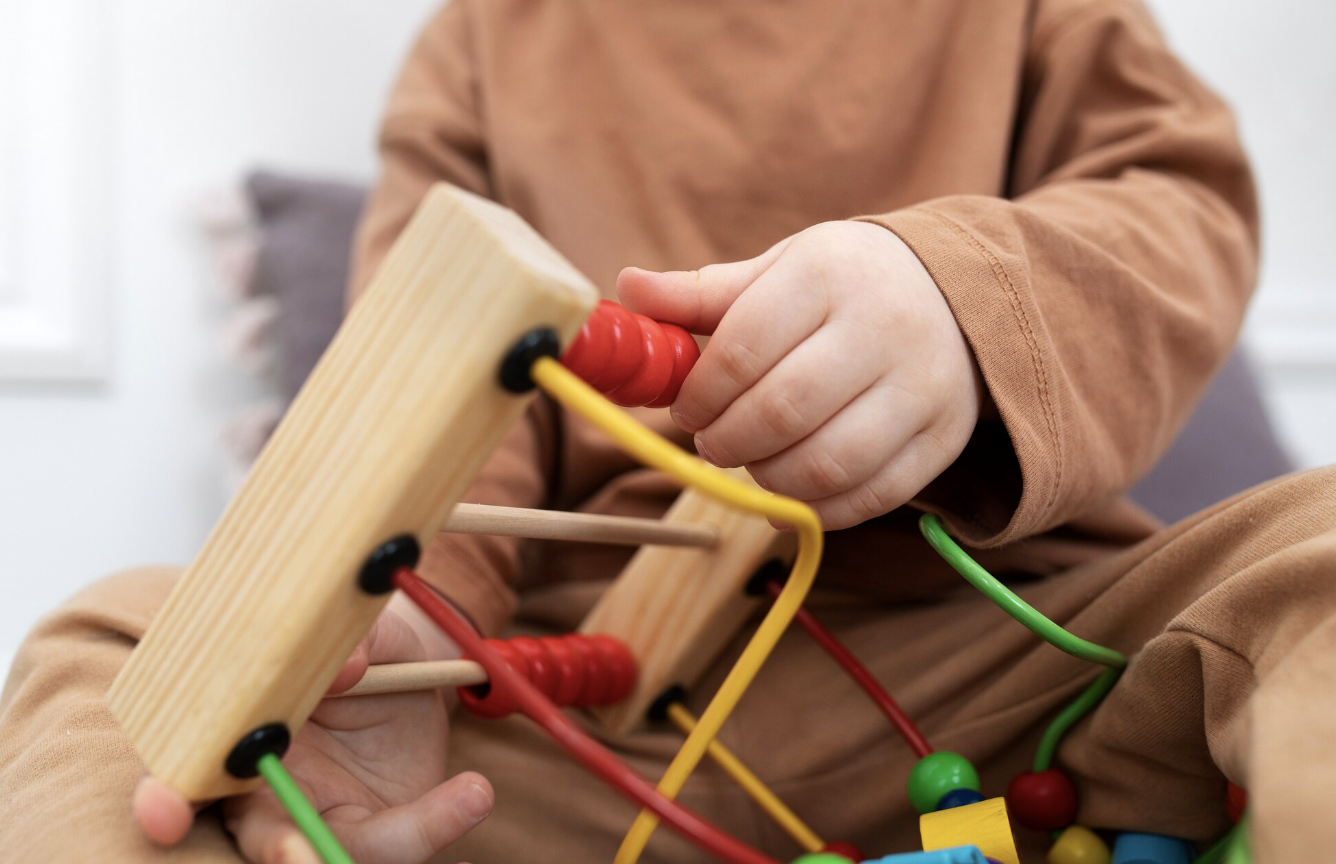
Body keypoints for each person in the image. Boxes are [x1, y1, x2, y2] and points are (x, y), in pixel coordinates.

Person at [3, 1, 1334, 862]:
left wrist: (964, 303)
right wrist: (402, 626)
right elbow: (426, 363)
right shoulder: (483, 37)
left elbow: (1180, 205)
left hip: (1001, 674)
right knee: (116, 654)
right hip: (572, 719)